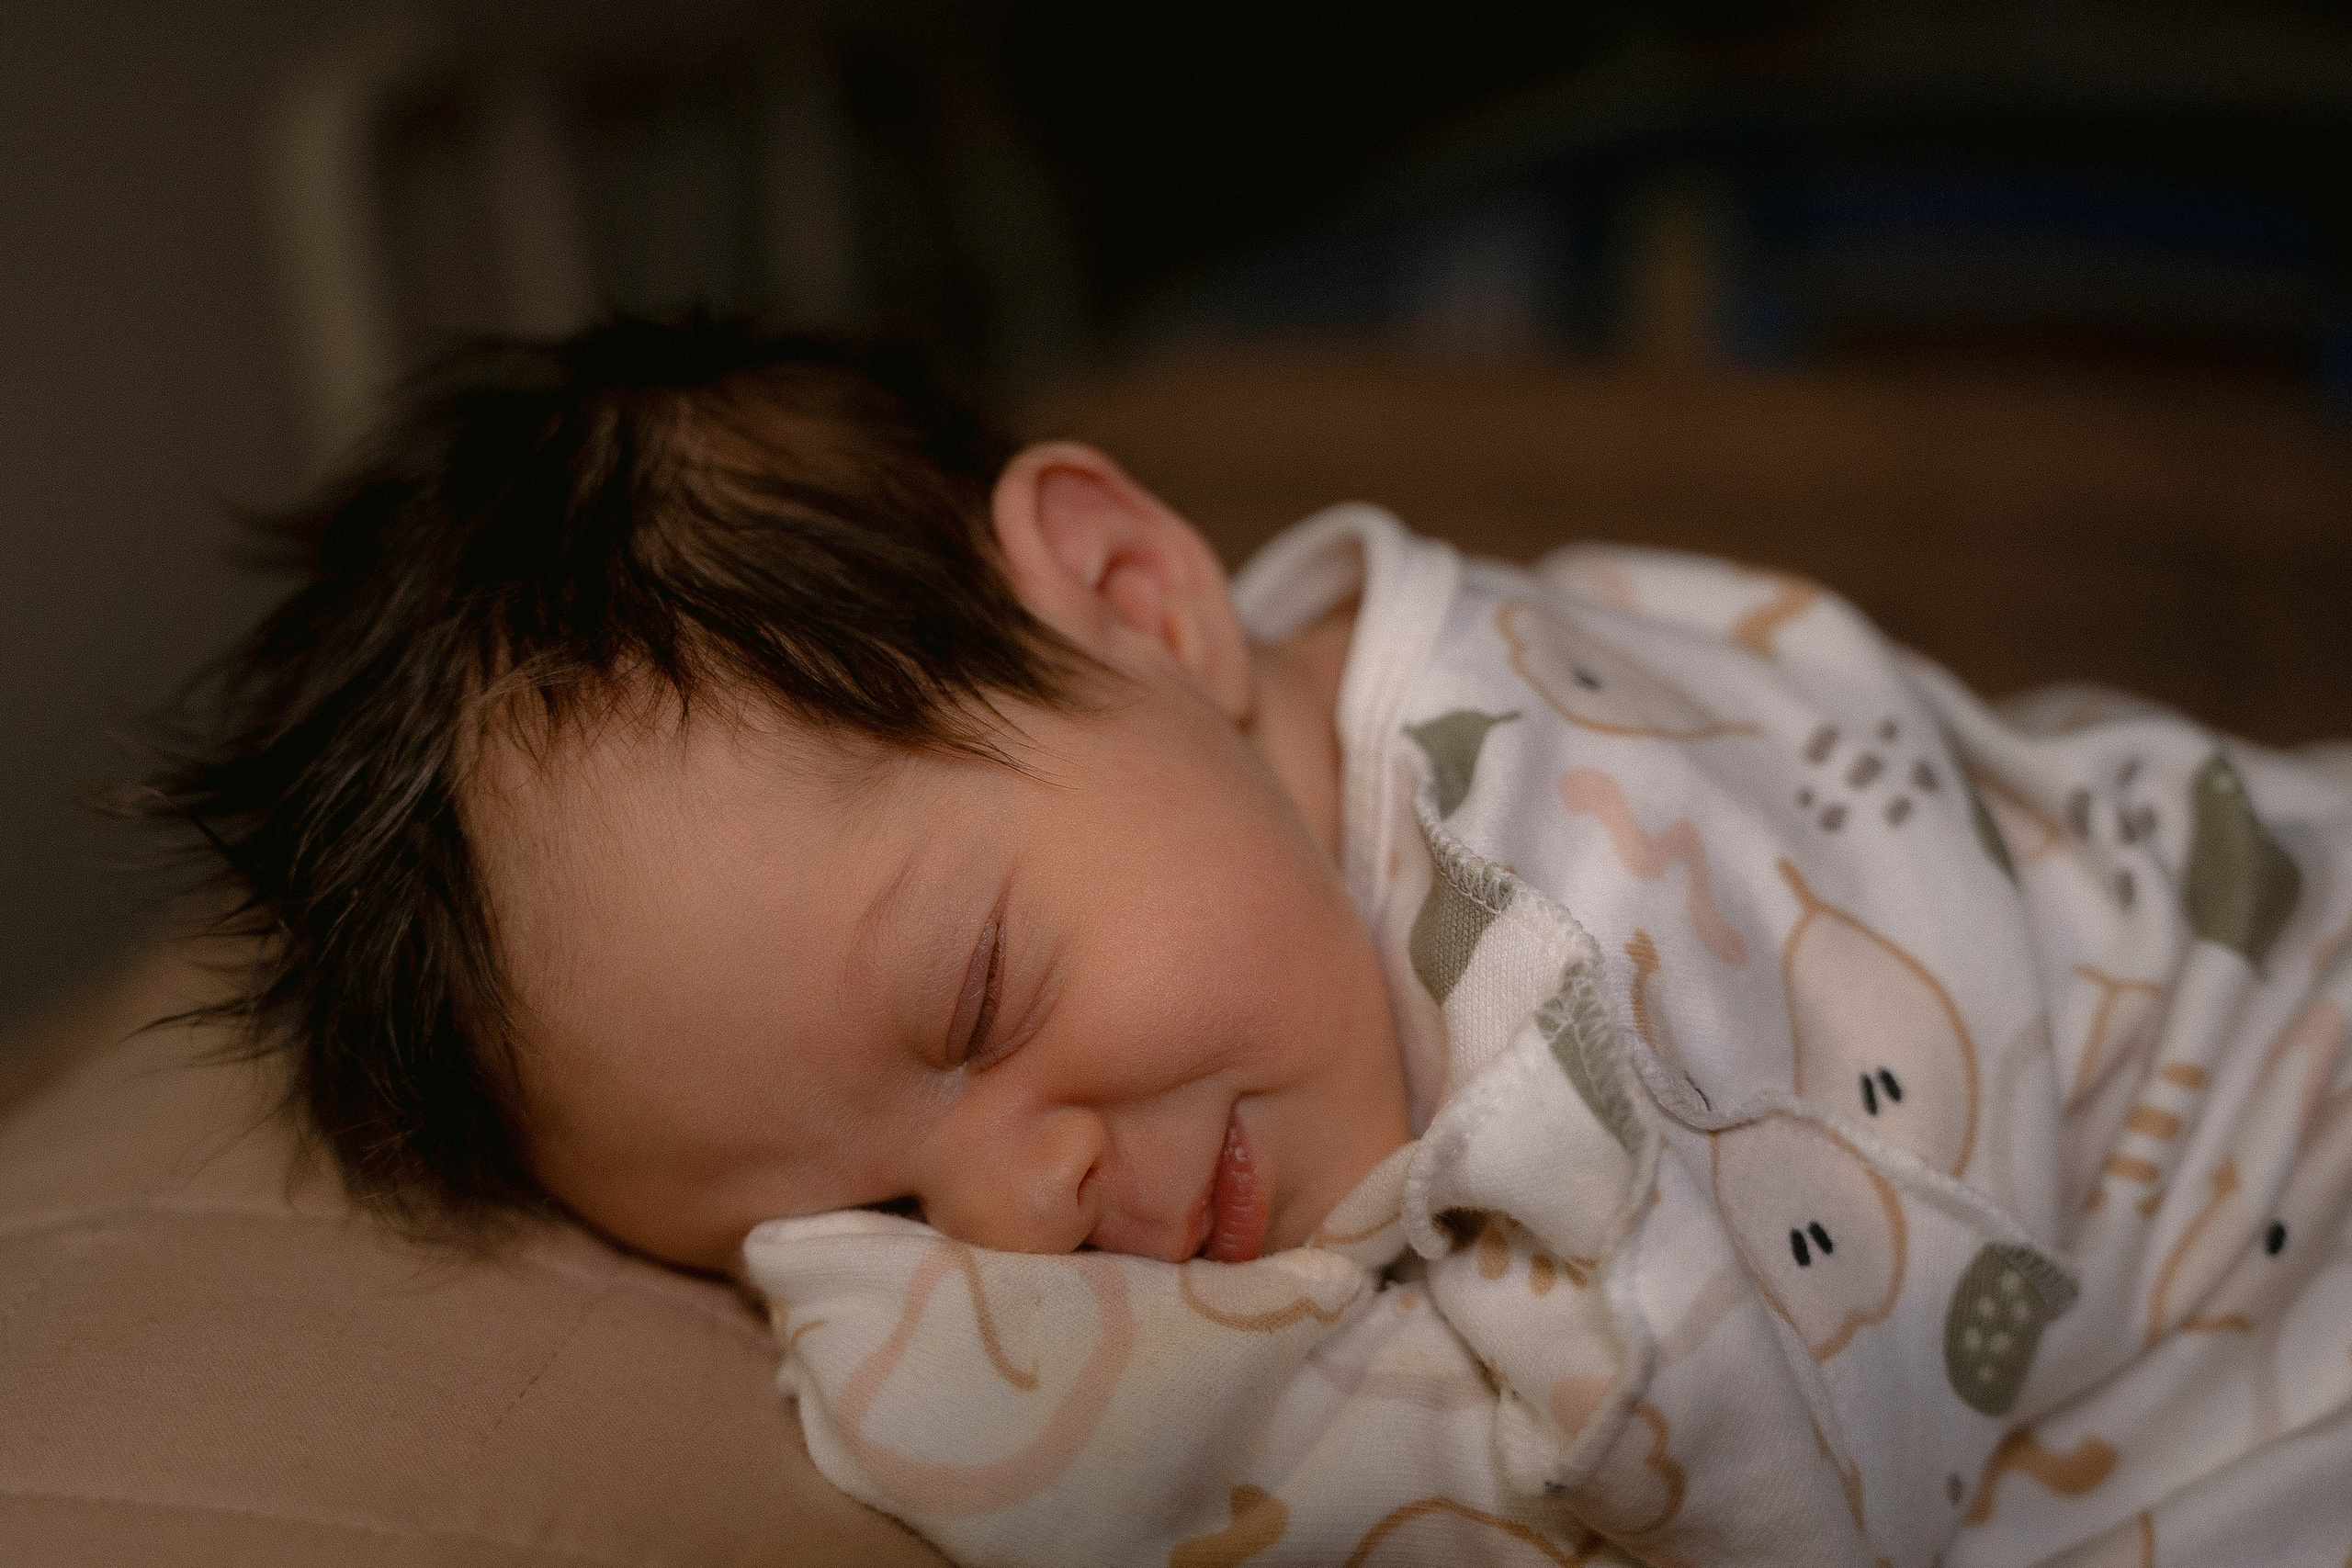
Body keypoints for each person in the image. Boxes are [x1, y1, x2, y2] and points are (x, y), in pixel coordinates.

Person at [149, 316, 2352, 1567]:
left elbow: (1759, 1481)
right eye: (868, 1213)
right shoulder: (1197, 805)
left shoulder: (1568, 842)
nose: (1012, 1209)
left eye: (973, 1002)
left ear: (1132, 596)